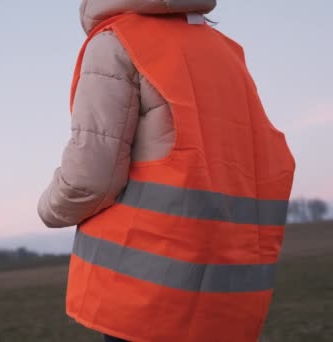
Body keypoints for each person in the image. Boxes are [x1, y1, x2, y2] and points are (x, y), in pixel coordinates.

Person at [38, 1, 296, 341]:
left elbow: (89, 177)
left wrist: (48, 208)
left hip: (144, 291)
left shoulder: (116, 42)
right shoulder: (224, 51)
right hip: (225, 295)